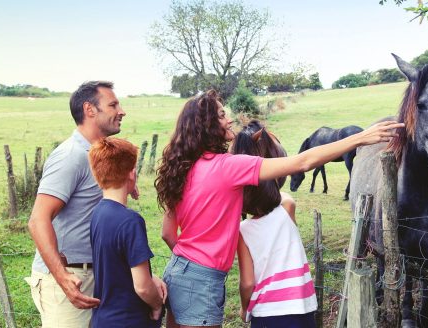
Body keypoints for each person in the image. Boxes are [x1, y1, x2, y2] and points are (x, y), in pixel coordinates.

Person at [156, 90, 403, 328]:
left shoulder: (180, 169)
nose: (229, 118)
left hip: (176, 271)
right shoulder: (227, 167)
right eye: (221, 115)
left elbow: (168, 233)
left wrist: (190, 263)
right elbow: (303, 161)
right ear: (206, 124)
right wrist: (360, 138)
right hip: (202, 280)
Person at [26, 81, 128, 327]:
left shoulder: (99, 155)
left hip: (97, 273)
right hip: (71, 278)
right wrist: (62, 278)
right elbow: (38, 220)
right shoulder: (71, 156)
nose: (121, 111)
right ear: (89, 110)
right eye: (113, 104)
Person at [232, 123, 317, 327]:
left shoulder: (242, 231)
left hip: (265, 314)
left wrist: (245, 308)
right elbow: (280, 194)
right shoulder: (287, 206)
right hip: (302, 309)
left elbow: (247, 282)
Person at [88, 137, 167, 327]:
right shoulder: (130, 221)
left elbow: (116, 263)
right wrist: (157, 305)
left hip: (103, 318)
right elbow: (142, 287)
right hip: (128, 320)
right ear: (132, 174)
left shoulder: (97, 213)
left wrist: (151, 277)